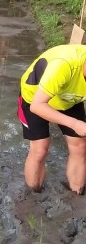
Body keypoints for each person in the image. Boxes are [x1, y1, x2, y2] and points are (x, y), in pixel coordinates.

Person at [19, 45, 86, 194]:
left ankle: (77, 195)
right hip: (34, 98)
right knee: (40, 148)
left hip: (69, 98)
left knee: (80, 145)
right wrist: (75, 123)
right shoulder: (64, 65)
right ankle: (33, 196)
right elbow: (37, 106)